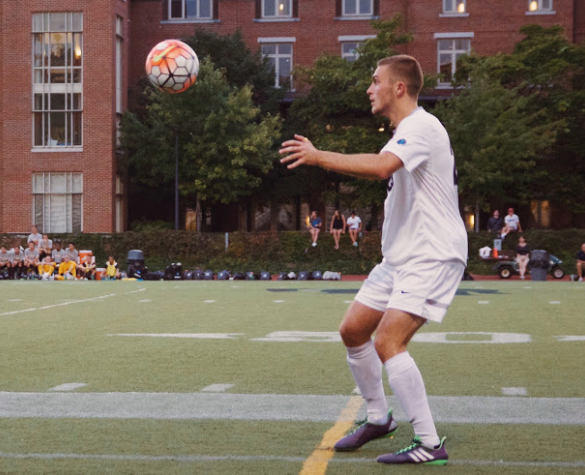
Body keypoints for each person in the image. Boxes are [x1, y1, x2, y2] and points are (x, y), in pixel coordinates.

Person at [280, 55, 467, 465]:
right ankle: (380, 419)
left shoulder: (420, 126)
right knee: (353, 331)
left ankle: (430, 444)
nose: (369, 88)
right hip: (402, 256)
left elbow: (382, 168)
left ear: (398, 88)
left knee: (388, 341)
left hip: (431, 253)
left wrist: (318, 155)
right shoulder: (405, 130)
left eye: (375, 80)